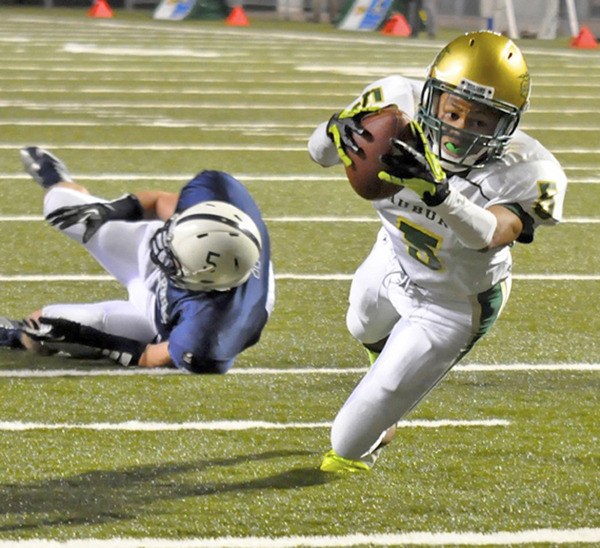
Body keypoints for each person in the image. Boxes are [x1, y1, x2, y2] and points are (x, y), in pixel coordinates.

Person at [307, 30, 567, 472]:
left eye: (481, 122)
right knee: (360, 321)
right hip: (394, 254)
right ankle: (387, 354)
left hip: (454, 303)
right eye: (453, 111)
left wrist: (441, 195)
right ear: (431, 97)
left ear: (508, 124)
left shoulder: (529, 170)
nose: (459, 130)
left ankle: (381, 417)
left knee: (345, 445)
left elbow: (494, 233)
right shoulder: (393, 105)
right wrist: (337, 127)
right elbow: (318, 153)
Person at [0, 147, 275, 373]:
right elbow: (158, 203)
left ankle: (12, 336)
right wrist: (110, 209)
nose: (163, 253)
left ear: (203, 276)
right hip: (163, 259)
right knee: (60, 206)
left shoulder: (214, 332)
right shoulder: (222, 202)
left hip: (154, 319)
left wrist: (87, 338)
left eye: (173, 256)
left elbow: (149, 356)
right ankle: (56, 178)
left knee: (42, 324)